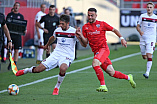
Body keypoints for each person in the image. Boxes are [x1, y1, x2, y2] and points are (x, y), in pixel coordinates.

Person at [76, 8, 136, 92]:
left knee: (95, 63)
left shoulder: (102, 24)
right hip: (96, 52)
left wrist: (122, 38)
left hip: (103, 49)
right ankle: (129, 77)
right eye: (88, 15)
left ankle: (103, 85)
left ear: (96, 15)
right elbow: (85, 43)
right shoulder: (85, 27)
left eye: (92, 15)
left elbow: (114, 30)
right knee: (112, 73)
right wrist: (79, 36)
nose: (90, 17)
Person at [16, 14, 78, 95]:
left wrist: (80, 35)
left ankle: (57, 87)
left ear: (68, 23)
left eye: (62, 24)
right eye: (60, 23)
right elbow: (52, 38)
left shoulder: (74, 31)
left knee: (63, 68)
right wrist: (47, 45)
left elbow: (84, 43)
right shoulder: (57, 30)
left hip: (68, 55)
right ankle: (26, 70)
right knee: (39, 69)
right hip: (56, 53)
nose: (60, 25)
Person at [136, 2, 157, 79]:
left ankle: (147, 73)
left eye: (150, 7)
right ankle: (149, 53)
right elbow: (137, 26)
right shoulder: (142, 16)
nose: (149, 8)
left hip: (151, 39)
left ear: (153, 8)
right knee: (144, 57)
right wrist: (140, 31)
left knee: (149, 55)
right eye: (148, 7)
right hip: (143, 39)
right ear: (146, 8)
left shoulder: (155, 17)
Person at [6, 2, 26, 70]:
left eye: (18, 6)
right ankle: (10, 62)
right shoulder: (9, 15)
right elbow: (6, 25)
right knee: (9, 49)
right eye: (15, 6)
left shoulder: (21, 16)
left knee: (17, 49)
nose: (16, 7)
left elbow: (23, 26)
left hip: (18, 35)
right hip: (10, 35)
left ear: (19, 7)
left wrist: (24, 30)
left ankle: (15, 63)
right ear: (13, 6)